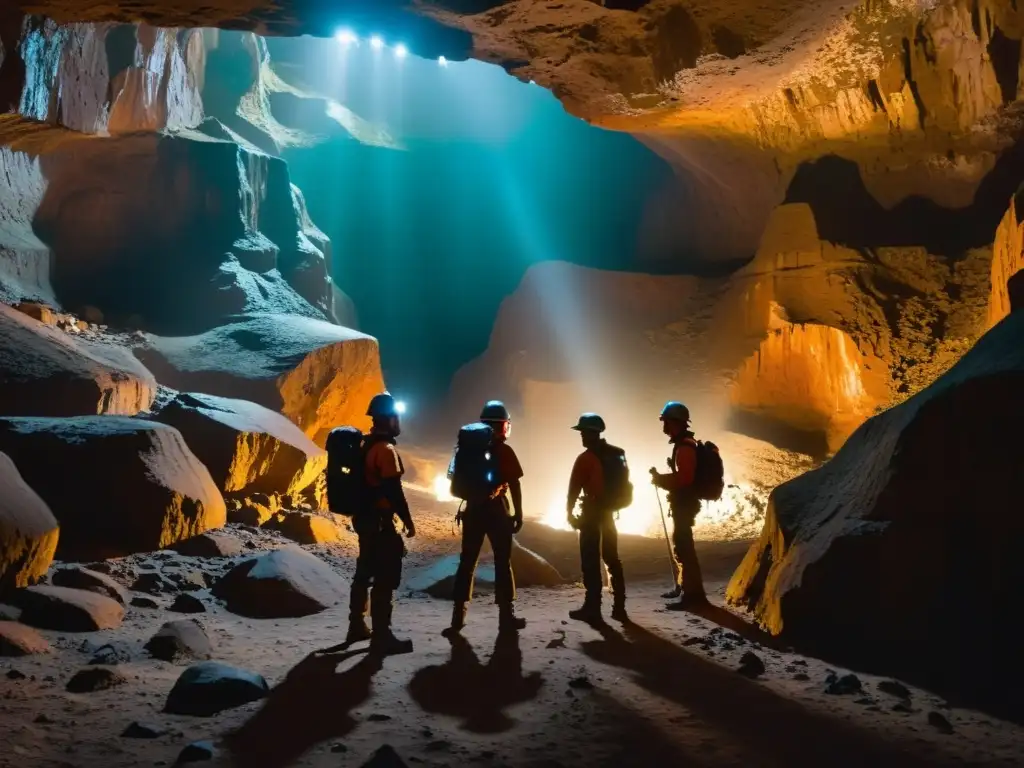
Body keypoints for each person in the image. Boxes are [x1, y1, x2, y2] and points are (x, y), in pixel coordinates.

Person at [444, 400, 527, 636]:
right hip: (496, 511)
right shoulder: (504, 451)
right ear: (503, 425)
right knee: (502, 561)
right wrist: (518, 514)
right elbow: (515, 483)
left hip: (472, 511)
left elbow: (454, 481)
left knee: (467, 562)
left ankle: (457, 619)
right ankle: (506, 616)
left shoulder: (467, 449)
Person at [346, 392, 417, 654]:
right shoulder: (385, 450)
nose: (399, 422)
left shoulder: (364, 445)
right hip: (380, 523)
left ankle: (356, 625)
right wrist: (408, 521)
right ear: (388, 419)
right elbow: (393, 490)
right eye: (396, 417)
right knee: (385, 577)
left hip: (364, 520)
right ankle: (382, 636)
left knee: (364, 572)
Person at [565, 413, 627, 623]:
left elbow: (573, 489)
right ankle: (619, 607)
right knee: (611, 557)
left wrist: (569, 511)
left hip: (591, 513)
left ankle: (593, 607)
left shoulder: (585, 459)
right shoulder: (618, 454)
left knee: (590, 560)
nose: (581, 436)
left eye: (583, 432)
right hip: (609, 513)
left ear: (591, 433)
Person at [649, 401, 708, 608]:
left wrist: (661, 480)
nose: (663, 426)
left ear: (675, 422)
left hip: (685, 504)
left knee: (684, 547)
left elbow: (685, 479)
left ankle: (693, 596)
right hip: (683, 503)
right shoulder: (684, 444)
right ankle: (686, 589)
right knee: (682, 546)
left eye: (665, 421)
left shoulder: (685, 447)